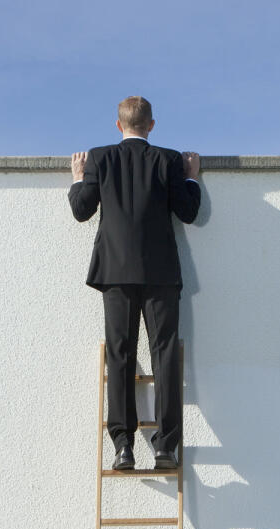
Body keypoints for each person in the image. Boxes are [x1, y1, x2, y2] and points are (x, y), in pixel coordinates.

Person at [69, 96, 201, 471]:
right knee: (164, 356)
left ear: (118, 125)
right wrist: (191, 176)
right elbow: (188, 212)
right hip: (160, 273)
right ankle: (166, 447)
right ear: (151, 125)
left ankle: (123, 446)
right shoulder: (168, 159)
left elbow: (82, 210)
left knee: (120, 355)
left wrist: (78, 178)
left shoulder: (100, 158)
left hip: (115, 274)